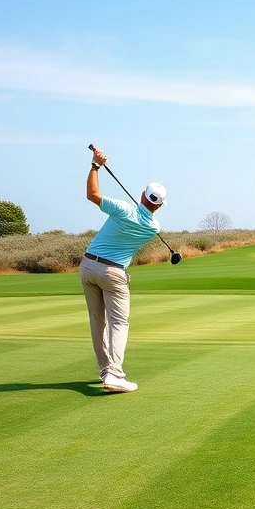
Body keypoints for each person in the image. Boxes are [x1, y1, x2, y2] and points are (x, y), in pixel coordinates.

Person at [80, 146, 166, 393]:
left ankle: (105, 370)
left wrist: (95, 165)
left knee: (97, 321)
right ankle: (114, 374)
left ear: (141, 194)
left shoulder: (122, 209)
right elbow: (142, 213)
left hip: (87, 266)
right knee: (119, 323)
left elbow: (92, 194)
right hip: (113, 273)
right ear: (159, 206)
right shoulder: (154, 228)